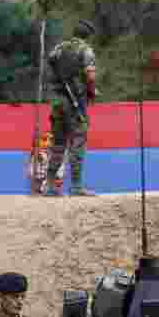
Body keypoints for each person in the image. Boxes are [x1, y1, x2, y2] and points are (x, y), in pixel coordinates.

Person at [44, 19, 99, 197]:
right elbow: (90, 76)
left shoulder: (59, 48)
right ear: (88, 36)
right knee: (77, 142)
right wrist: (92, 91)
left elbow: (51, 60)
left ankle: (51, 186)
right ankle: (75, 186)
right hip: (76, 103)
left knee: (58, 144)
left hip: (57, 102)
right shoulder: (86, 51)